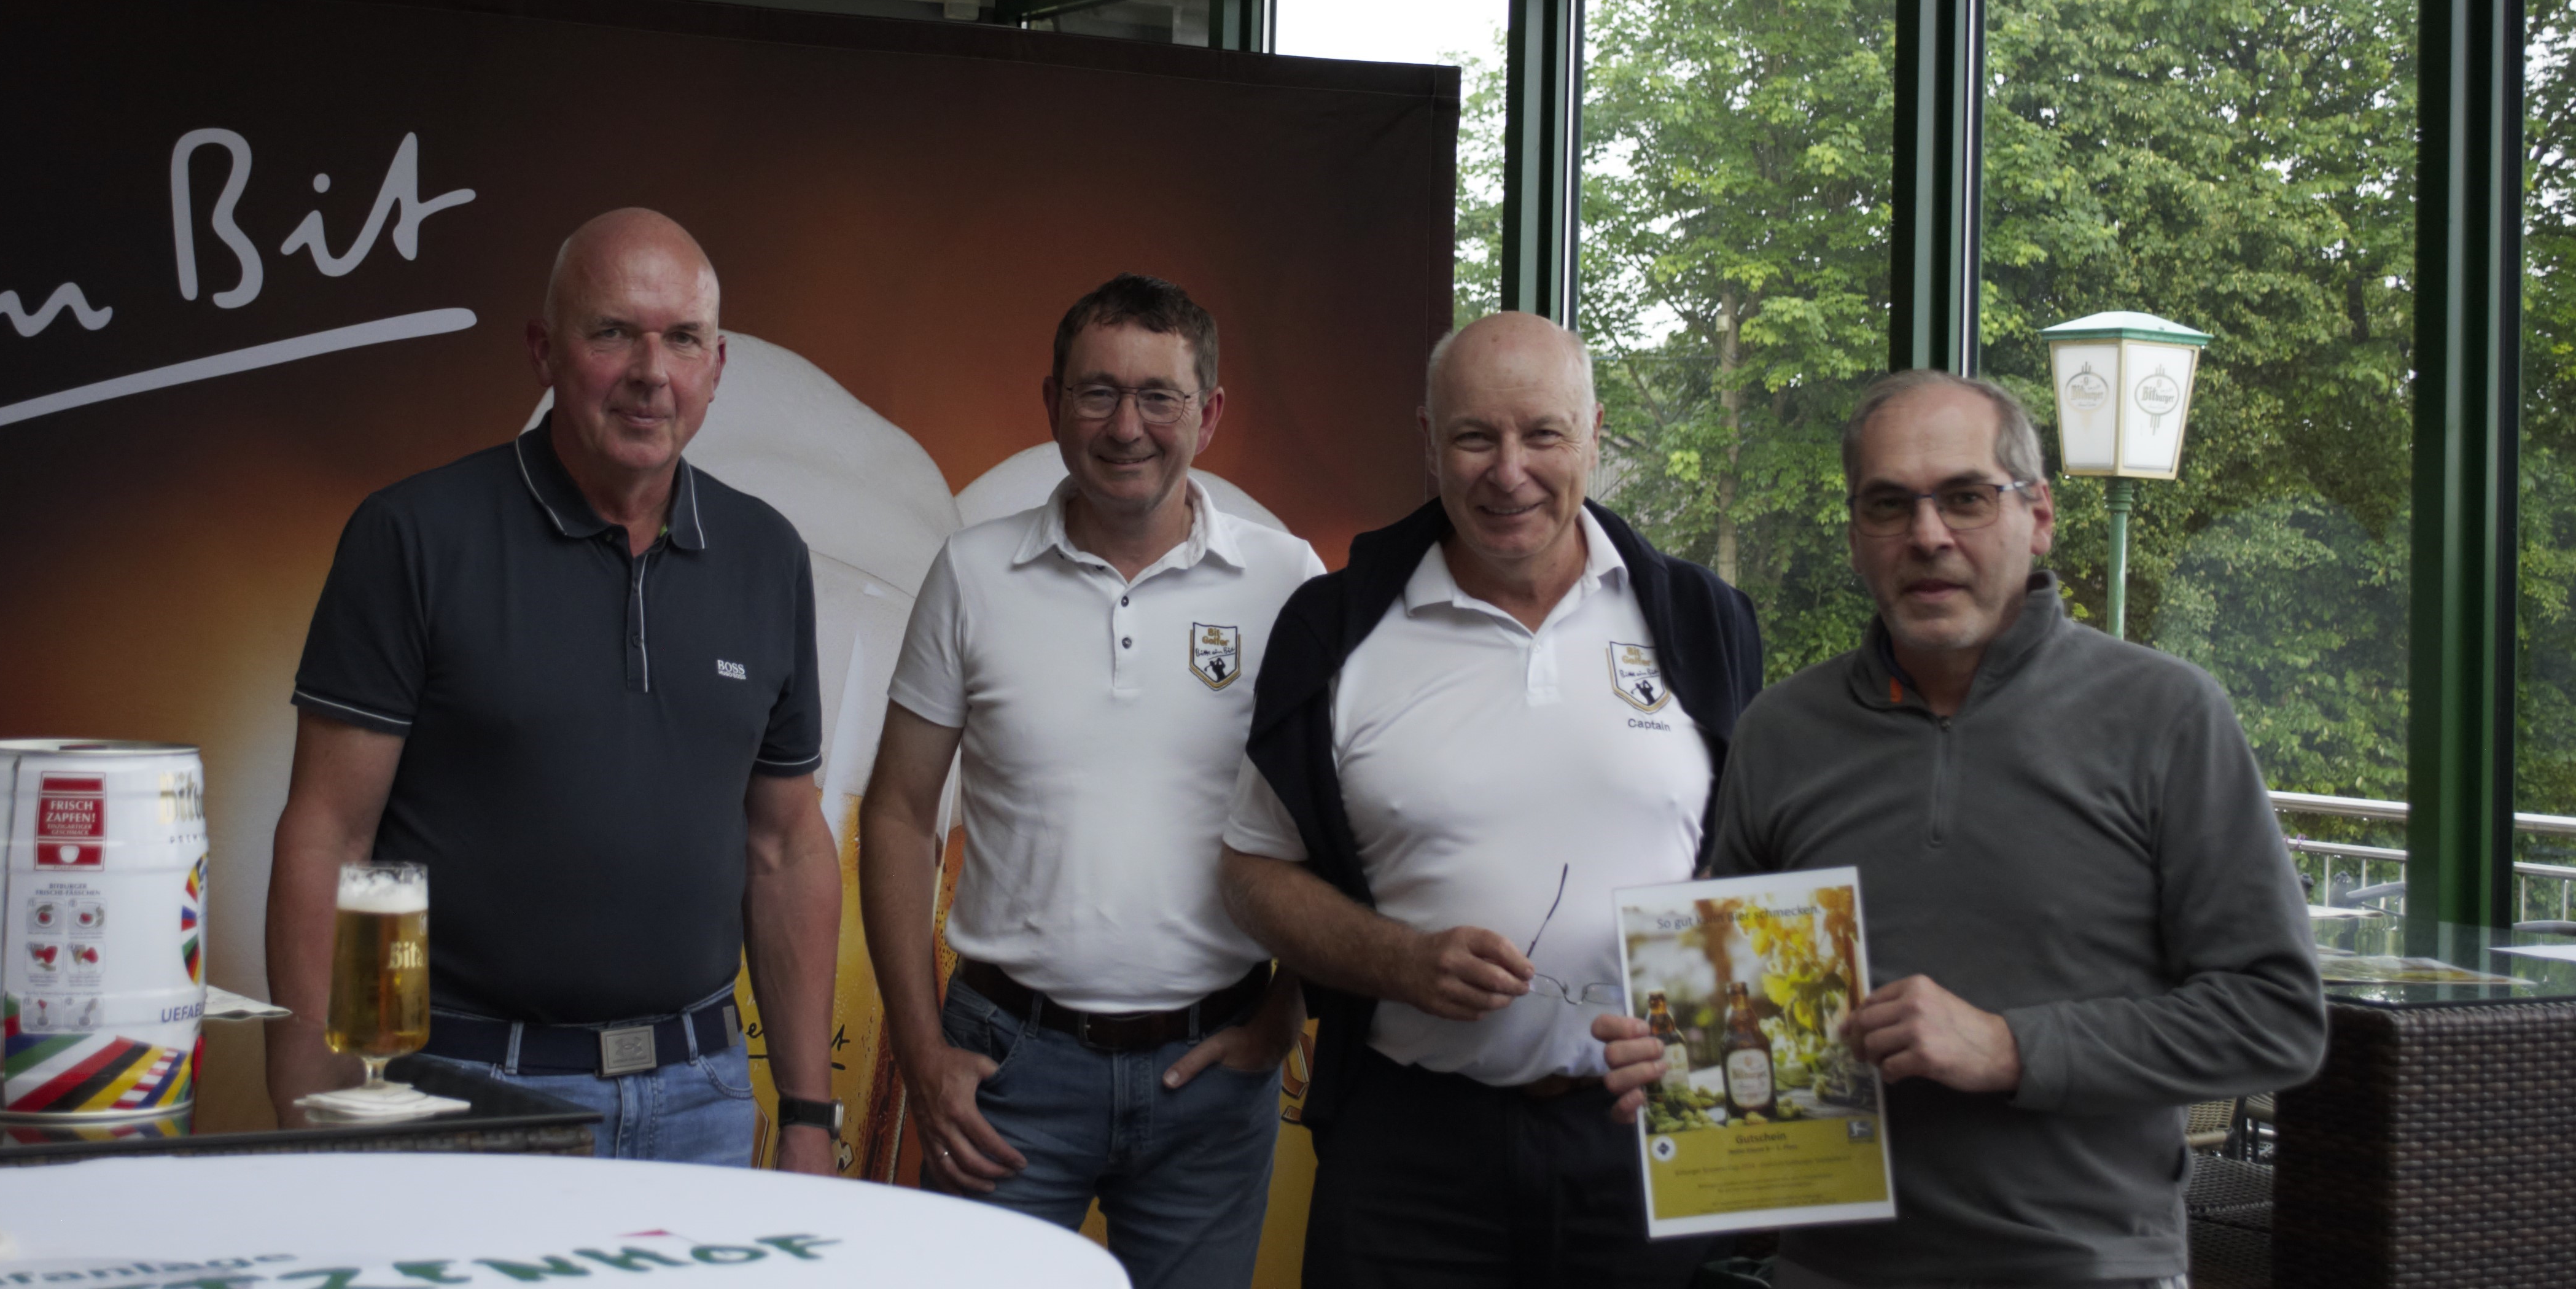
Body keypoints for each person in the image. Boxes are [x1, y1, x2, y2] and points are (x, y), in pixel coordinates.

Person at [1595, 368, 2328, 1288]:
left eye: (1967, 498)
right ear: (1856, 536)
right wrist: (1675, 1055)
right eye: (1888, 505)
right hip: (1830, 1270)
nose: (1928, 535)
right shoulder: (1781, 732)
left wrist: (2012, 1048)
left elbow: (2277, 1017)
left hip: (2086, 1270)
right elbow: (1738, 1001)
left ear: (2039, 515)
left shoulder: (2167, 716)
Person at [266, 208, 842, 1171]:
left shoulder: (767, 556)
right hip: (460, 1091)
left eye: (682, 339)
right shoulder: (415, 536)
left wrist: (810, 1115)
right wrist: (321, 1107)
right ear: (543, 351)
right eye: (613, 333)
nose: (651, 372)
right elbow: (335, 837)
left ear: (716, 368)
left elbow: (785, 848)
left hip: (702, 1099)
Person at [1220, 311, 1764, 1288]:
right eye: (1475, 437)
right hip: (1409, 1149)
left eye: (1543, 434)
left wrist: (1707, 1028)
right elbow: (1252, 869)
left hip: (1645, 1139)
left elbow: (1754, 857)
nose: (1509, 472)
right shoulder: (1335, 626)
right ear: (1429, 443)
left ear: (1593, 434)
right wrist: (1397, 960)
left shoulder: (1702, 619)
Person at [861, 273, 1319, 1288]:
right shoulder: (971, 573)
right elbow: (897, 813)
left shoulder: (1287, 581)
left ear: (1210, 413)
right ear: (1052, 403)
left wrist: (1287, 1013)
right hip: (1004, 1072)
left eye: (1159, 396)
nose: (1126, 427)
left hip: (1213, 1076)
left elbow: (1340, 820)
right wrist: (919, 1048)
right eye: (1097, 392)